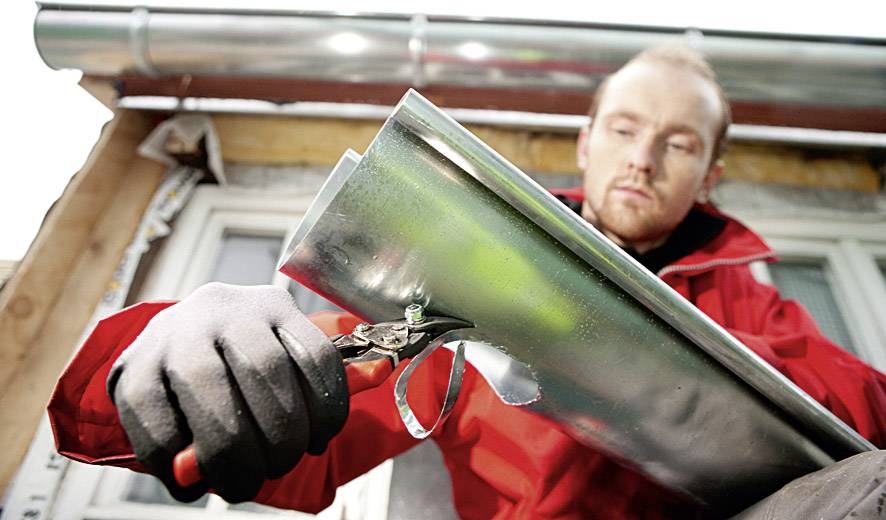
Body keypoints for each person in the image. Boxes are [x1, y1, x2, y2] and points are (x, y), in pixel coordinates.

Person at [48, 46, 886, 518]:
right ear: (586, 142)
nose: (642, 158)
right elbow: (309, 429)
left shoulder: (759, 311)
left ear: (709, 175)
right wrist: (170, 358)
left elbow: (864, 421)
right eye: (625, 129)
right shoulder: (472, 278)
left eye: (679, 143)